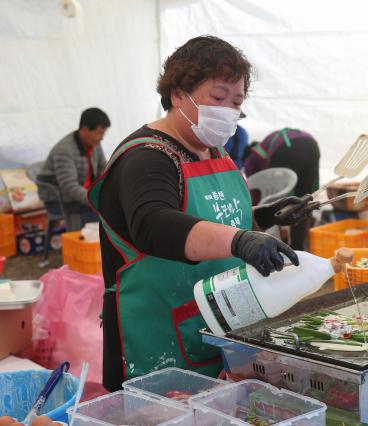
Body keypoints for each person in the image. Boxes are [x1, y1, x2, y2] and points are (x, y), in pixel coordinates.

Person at [89, 36, 311, 391]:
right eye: (218, 97)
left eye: (236, 102)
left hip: (218, 322)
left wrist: (266, 217)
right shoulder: (147, 156)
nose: (228, 110)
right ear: (178, 93)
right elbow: (154, 224)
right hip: (157, 338)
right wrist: (240, 241)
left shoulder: (213, 150)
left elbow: (215, 217)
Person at [244, 128, 320, 250]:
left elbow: (253, 191)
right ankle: (298, 247)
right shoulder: (264, 146)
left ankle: (273, 247)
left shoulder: (250, 159)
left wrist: (258, 210)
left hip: (287, 148)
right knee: (303, 201)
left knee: (278, 206)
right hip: (311, 144)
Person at [37, 108, 108, 230]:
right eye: (99, 133)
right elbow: (69, 187)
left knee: (110, 207)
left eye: (103, 133)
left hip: (81, 195)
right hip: (58, 199)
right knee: (101, 213)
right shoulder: (65, 150)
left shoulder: (94, 143)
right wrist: (94, 199)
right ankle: (86, 245)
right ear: (85, 130)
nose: (102, 138)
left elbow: (103, 170)